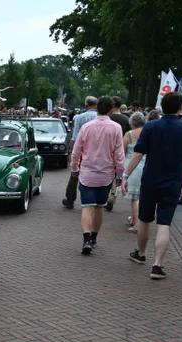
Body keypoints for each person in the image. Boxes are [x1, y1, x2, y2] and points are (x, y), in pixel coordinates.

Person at [121, 92, 182, 280]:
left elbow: (138, 154)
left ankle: (140, 253)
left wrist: (125, 175)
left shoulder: (151, 126)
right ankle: (157, 265)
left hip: (150, 180)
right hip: (172, 181)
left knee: (145, 220)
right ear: (181, 108)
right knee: (164, 223)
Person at [70, 96, 125, 255]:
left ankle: (86, 239)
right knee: (100, 207)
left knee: (87, 207)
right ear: (110, 109)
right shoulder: (115, 128)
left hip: (87, 173)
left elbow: (77, 150)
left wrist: (74, 167)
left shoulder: (86, 127)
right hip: (106, 174)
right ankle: (94, 238)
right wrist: (119, 173)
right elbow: (119, 154)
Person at [62, 96, 98, 209]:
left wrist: (71, 152)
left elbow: (75, 136)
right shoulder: (101, 117)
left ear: (86, 105)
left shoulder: (79, 117)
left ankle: (70, 200)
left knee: (74, 175)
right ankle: (96, 199)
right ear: (96, 106)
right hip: (97, 151)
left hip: (82, 150)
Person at [115, 111, 147, 233]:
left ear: (132, 123)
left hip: (132, 167)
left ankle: (137, 224)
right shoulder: (148, 132)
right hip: (145, 165)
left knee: (135, 198)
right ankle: (134, 219)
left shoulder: (129, 134)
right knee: (140, 196)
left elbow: (121, 151)